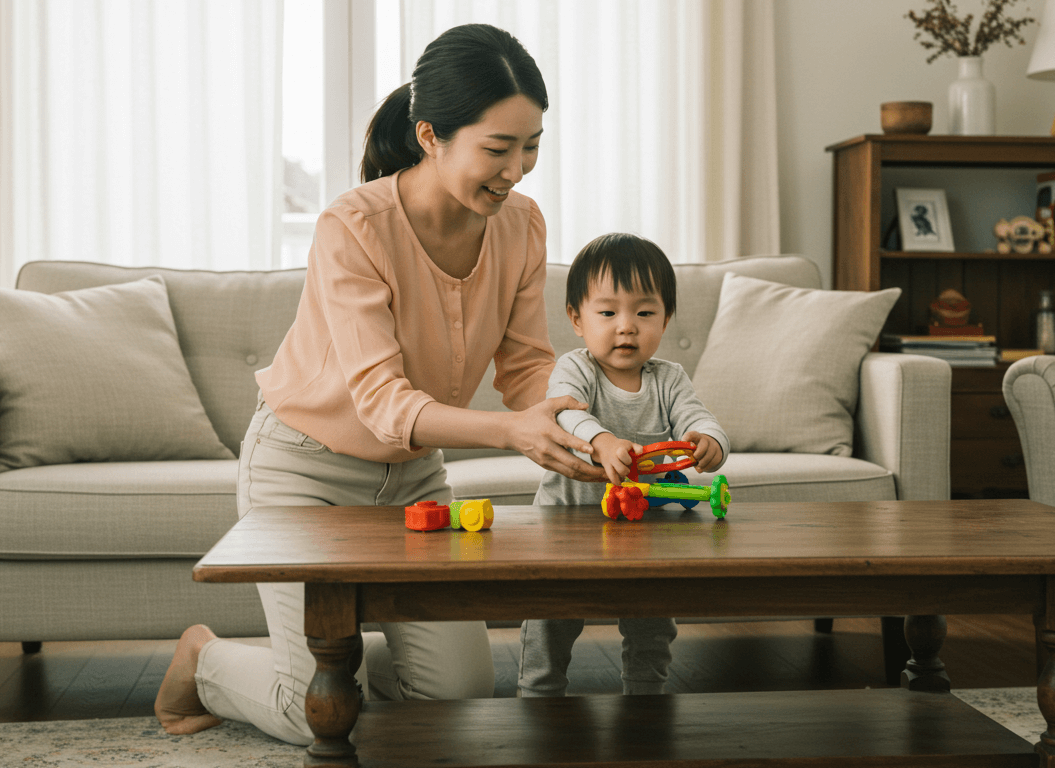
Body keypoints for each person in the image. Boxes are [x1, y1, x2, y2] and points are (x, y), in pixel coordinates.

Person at [154, 23, 606, 744]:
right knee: (319, 719)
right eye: (498, 148)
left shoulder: (522, 224)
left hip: (412, 482)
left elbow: (525, 366)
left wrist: (591, 428)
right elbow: (383, 401)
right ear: (431, 135)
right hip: (301, 474)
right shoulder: (353, 226)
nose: (517, 169)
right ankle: (204, 659)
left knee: (457, 700)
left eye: (532, 146)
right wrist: (509, 430)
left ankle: (332, 666)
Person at [517, 233, 729, 698]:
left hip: (647, 532)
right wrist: (603, 440)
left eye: (645, 313)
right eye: (608, 313)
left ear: (666, 319)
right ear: (577, 318)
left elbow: (697, 415)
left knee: (652, 619)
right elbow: (568, 413)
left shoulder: (669, 379)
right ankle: (538, 694)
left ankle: (645, 696)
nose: (627, 327)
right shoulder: (576, 369)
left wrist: (711, 440)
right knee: (552, 618)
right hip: (567, 526)